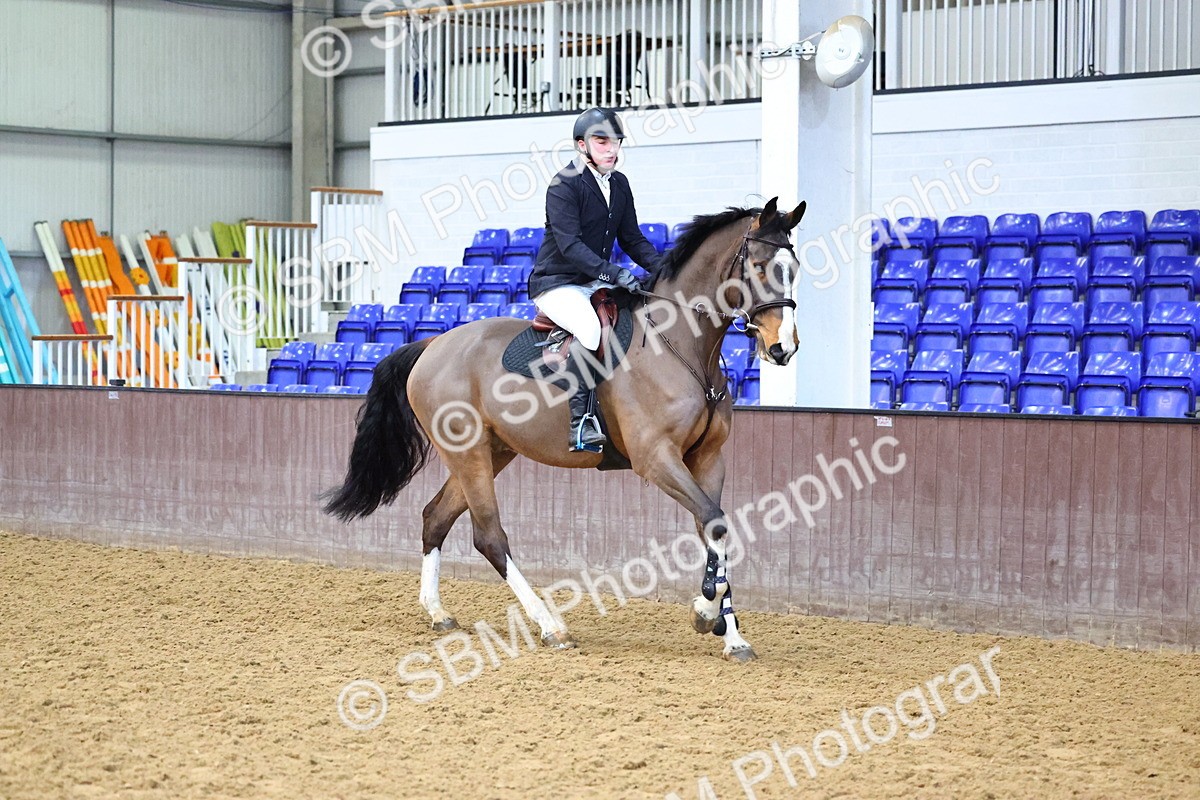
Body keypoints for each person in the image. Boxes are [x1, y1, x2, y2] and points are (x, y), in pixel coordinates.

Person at [530, 107, 663, 453]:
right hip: (557, 282)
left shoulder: (619, 183)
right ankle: (581, 423)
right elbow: (570, 246)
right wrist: (615, 273)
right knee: (590, 330)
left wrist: (666, 268)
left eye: (615, 141)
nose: (611, 149)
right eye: (601, 141)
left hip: (594, 282)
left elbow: (632, 238)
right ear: (581, 145)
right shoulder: (564, 184)